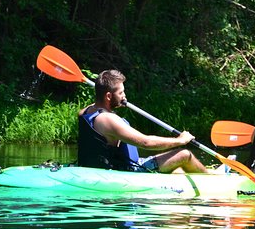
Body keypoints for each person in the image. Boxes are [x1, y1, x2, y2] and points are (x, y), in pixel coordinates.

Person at [78, 69, 208, 173]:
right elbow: (146, 142)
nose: (124, 96)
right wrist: (180, 140)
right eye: (121, 93)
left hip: (96, 166)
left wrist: (112, 100)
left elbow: (99, 103)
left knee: (178, 170)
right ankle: (211, 179)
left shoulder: (86, 111)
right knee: (184, 155)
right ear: (108, 96)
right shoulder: (109, 120)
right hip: (127, 169)